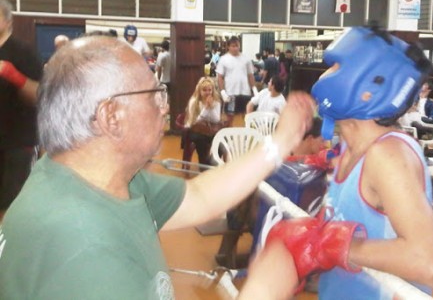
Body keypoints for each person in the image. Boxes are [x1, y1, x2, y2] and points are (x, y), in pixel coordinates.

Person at [0, 35, 316, 299]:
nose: (165, 107)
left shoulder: (96, 177)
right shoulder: (85, 249)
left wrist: (281, 141)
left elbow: (200, 195)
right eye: (154, 95)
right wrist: (262, 290)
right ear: (111, 116)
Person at [263, 26, 433, 299]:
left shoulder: (387, 155)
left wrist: (331, 243)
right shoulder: (350, 149)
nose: (325, 74)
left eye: (336, 66)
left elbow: (431, 265)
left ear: (365, 87)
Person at [0, 0, 42, 220]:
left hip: (18, 141)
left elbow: (39, 96)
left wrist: (13, 76)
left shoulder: (23, 52)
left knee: (16, 203)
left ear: (7, 21)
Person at [216, 36, 256, 125]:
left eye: (237, 45)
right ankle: (228, 136)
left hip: (245, 93)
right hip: (230, 93)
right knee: (229, 118)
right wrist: (223, 92)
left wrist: (255, 90)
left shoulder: (246, 59)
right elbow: (220, 77)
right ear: (228, 47)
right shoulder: (223, 59)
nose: (235, 48)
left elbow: (250, 75)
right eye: (233, 46)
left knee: (247, 117)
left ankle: (246, 136)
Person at [184, 77, 222, 166]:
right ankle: (203, 165)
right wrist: (206, 108)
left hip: (210, 129)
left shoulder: (216, 102)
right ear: (199, 91)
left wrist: (211, 107)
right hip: (194, 130)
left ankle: (212, 163)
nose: (207, 92)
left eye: (210, 90)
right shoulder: (194, 102)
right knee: (201, 140)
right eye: (204, 90)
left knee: (220, 142)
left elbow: (216, 119)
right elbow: (195, 122)